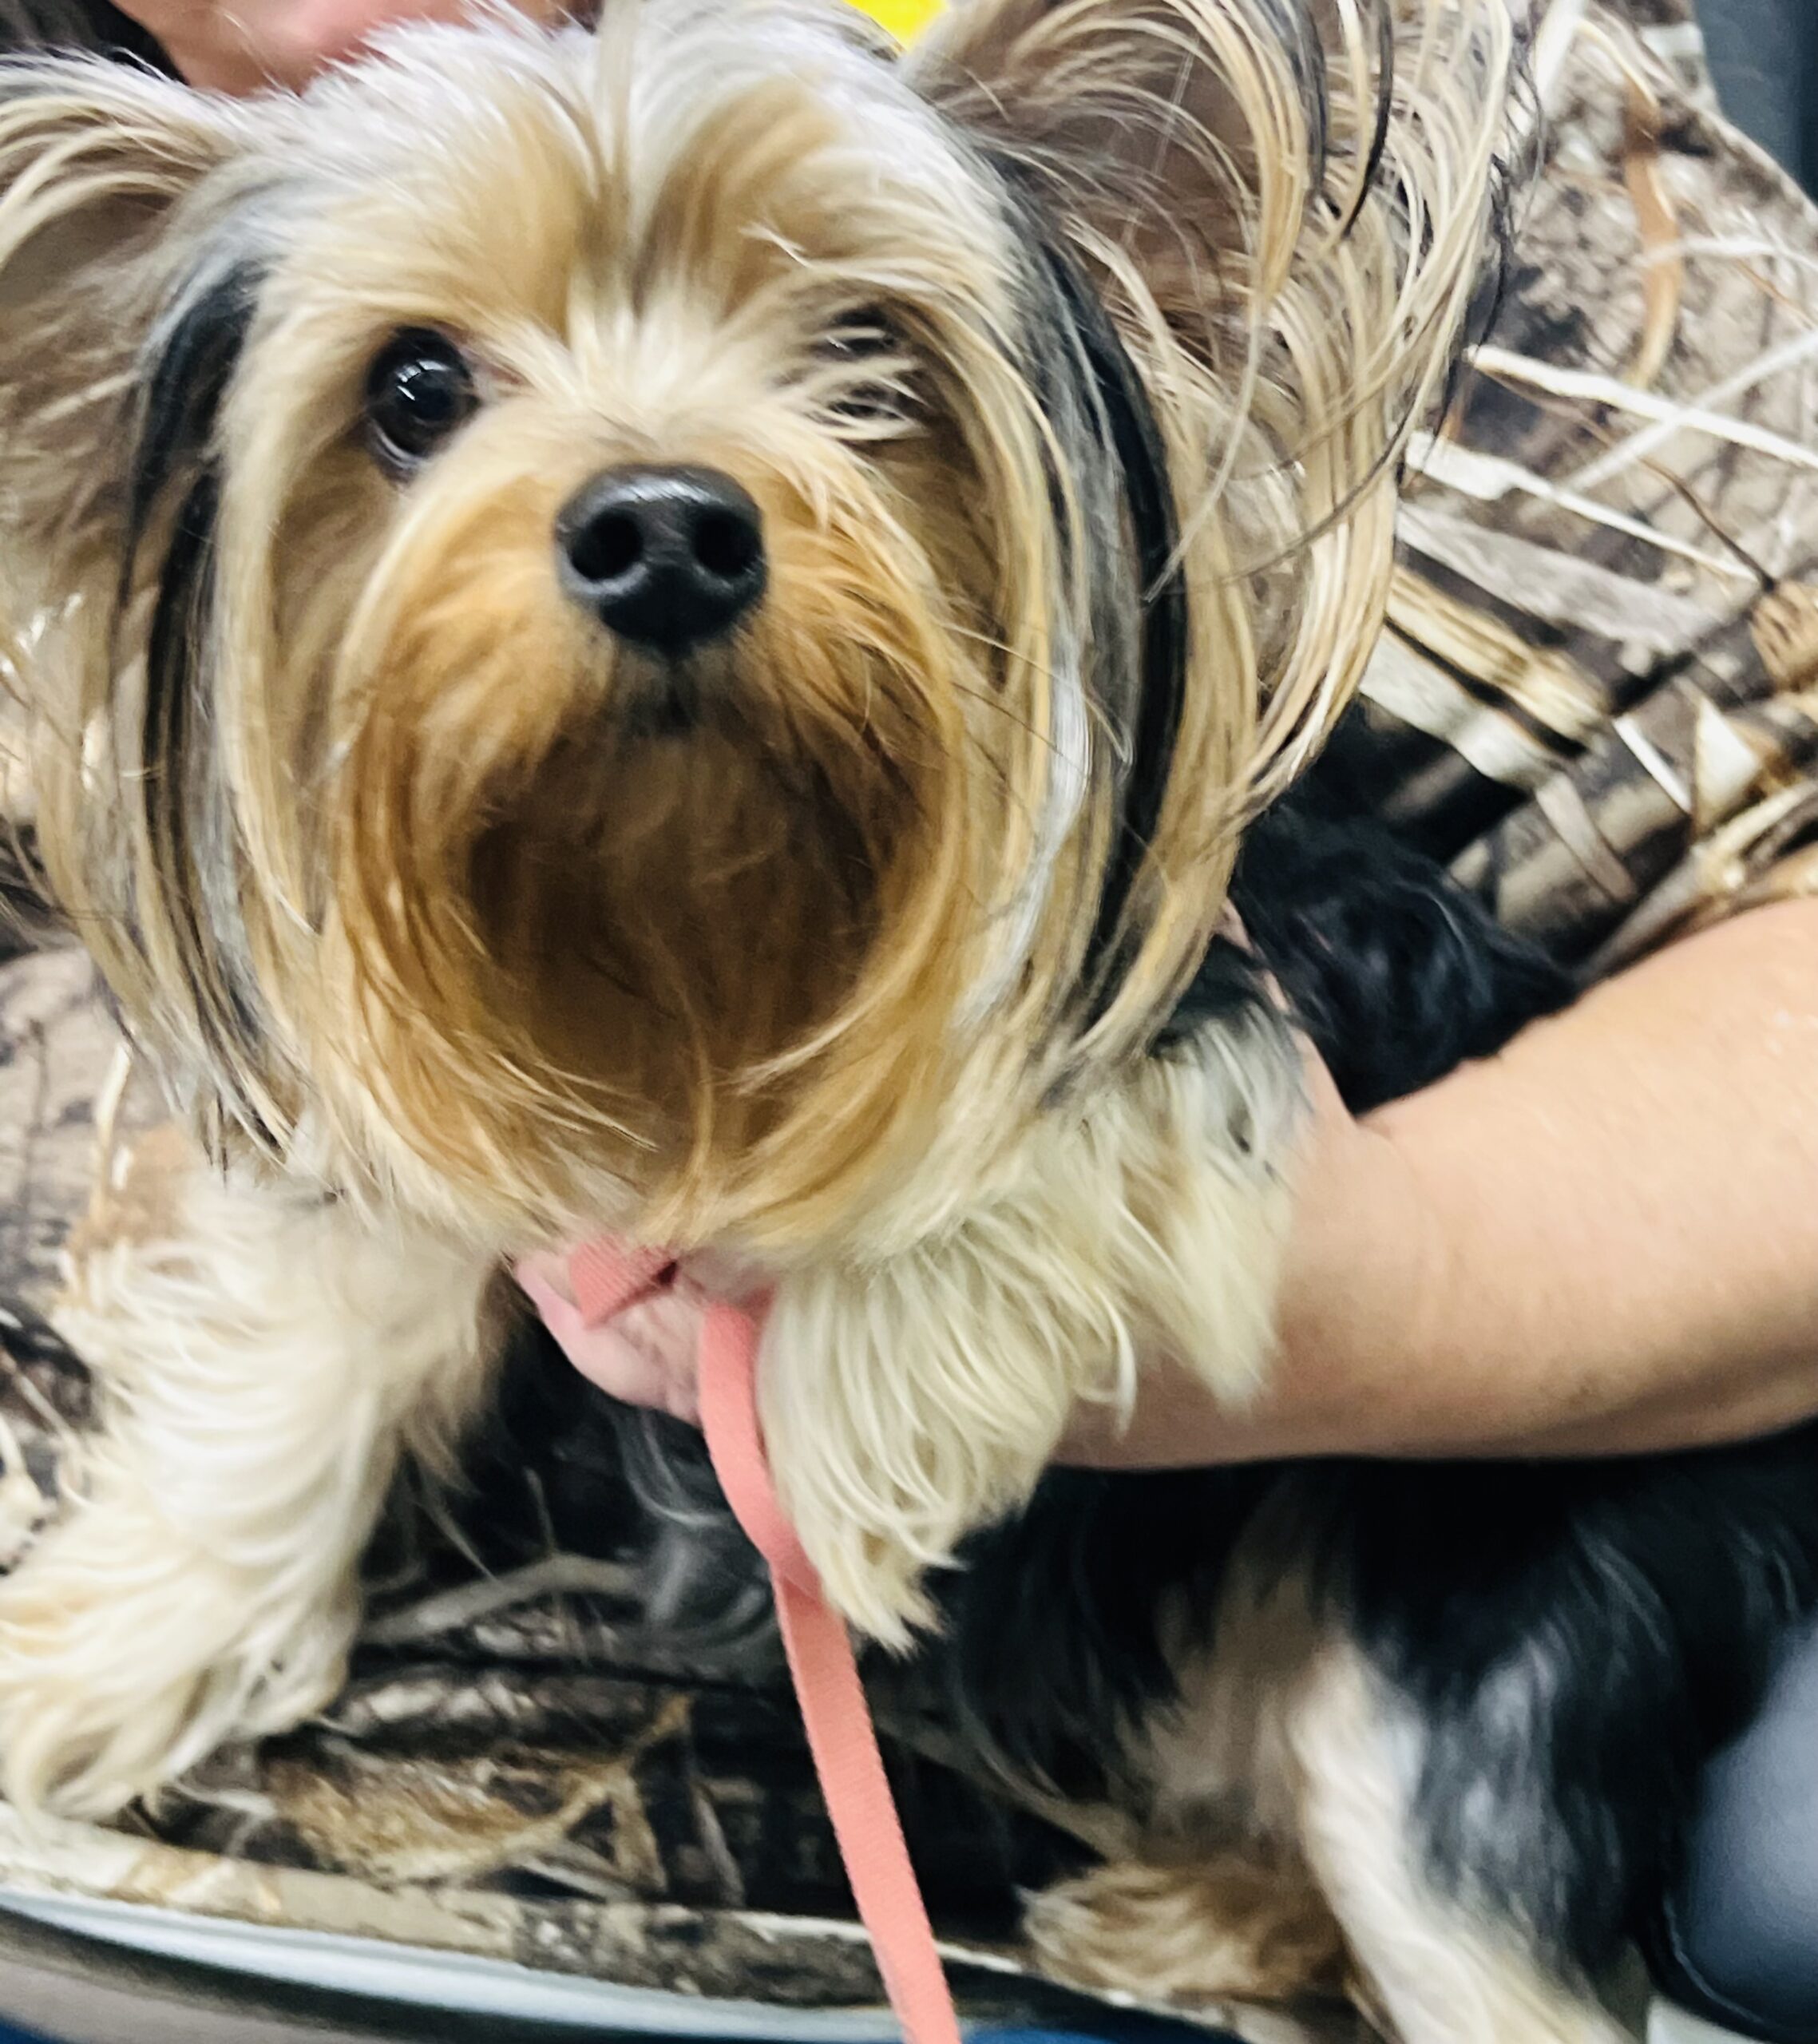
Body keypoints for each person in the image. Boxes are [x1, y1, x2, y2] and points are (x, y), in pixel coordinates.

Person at [82, 2, 1818, 2037]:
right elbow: (340, 1172)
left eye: (864, 371)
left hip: (1240, 1676)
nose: (654, 500)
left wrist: (1295, 1290)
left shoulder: (1350, 101)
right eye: (423, 398)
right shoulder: (131, 255)